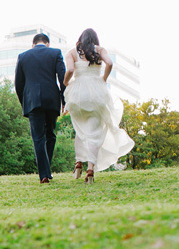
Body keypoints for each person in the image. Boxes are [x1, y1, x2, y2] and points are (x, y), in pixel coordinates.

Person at [62, 28, 134, 183]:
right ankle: (90, 169)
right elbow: (109, 62)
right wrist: (104, 78)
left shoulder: (72, 52)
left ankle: (78, 162)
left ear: (80, 38)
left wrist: (66, 82)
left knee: (81, 130)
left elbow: (69, 69)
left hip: (78, 95)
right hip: (96, 93)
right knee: (94, 133)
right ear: (95, 39)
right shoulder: (100, 50)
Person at [14, 33, 66, 184]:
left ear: (33, 44)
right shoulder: (55, 53)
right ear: (47, 43)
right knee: (50, 134)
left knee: (38, 137)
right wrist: (64, 100)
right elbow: (62, 79)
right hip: (51, 99)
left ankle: (44, 173)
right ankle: (45, 167)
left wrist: (25, 103)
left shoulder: (23, 56)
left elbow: (18, 84)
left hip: (33, 101)